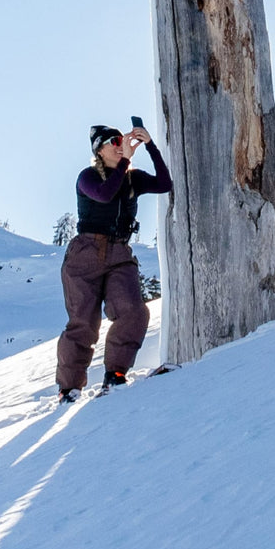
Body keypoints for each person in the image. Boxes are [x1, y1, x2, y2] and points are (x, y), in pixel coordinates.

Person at [55, 122, 172, 403]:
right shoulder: (88, 177)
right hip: (85, 254)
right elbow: (105, 194)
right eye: (114, 141)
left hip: (119, 252)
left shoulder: (132, 179)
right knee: (83, 322)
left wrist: (150, 146)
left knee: (133, 311)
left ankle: (115, 374)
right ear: (99, 150)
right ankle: (69, 388)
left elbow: (164, 183)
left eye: (123, 140)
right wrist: (126, 163)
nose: (121, 145)